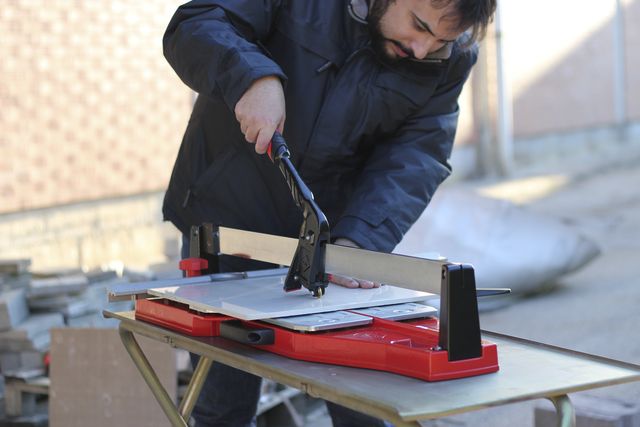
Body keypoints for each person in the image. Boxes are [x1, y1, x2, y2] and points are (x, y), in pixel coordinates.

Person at [162, 0, 496, 425]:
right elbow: (198, 22)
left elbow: (417, 154)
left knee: (364, 404)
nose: (420, 50)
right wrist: (250, 76)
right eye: (418, 25)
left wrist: (361, 239)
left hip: (332, 245)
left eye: (440, 41)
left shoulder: (452, 57)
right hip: (226, 225)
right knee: (224, 406)